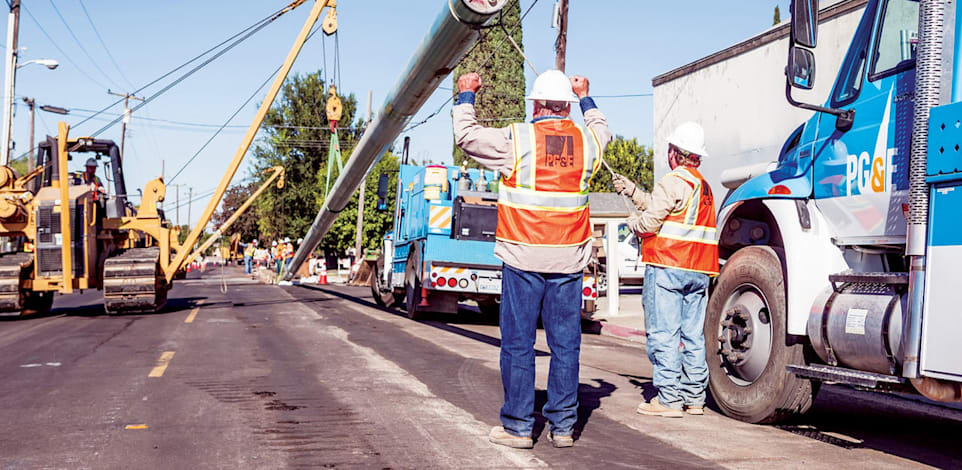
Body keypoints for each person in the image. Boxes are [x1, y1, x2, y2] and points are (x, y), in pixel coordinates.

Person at [454, 69, 612, 448]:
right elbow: (602, 128)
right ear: (567, 107)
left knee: (519, 343)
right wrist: (587, 97)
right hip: (568, 261)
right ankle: (562, 429)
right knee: (565, 346)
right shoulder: (588, 143)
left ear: (537, 105)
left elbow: (467, 137)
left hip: (523, 257)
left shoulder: (518, 139)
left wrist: (466, 96)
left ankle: (519, 427)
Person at [612, 121, 719, 418]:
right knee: (693, 336)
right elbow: (665, 208)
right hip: (699, 271)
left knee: (664, 334)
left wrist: (631, 223)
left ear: (675, 153)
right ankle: (694, 397)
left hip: (668, 266)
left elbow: (649, 223)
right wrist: (633, 191)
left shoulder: (672, 181)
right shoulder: (703, 186)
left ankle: (669, 400)